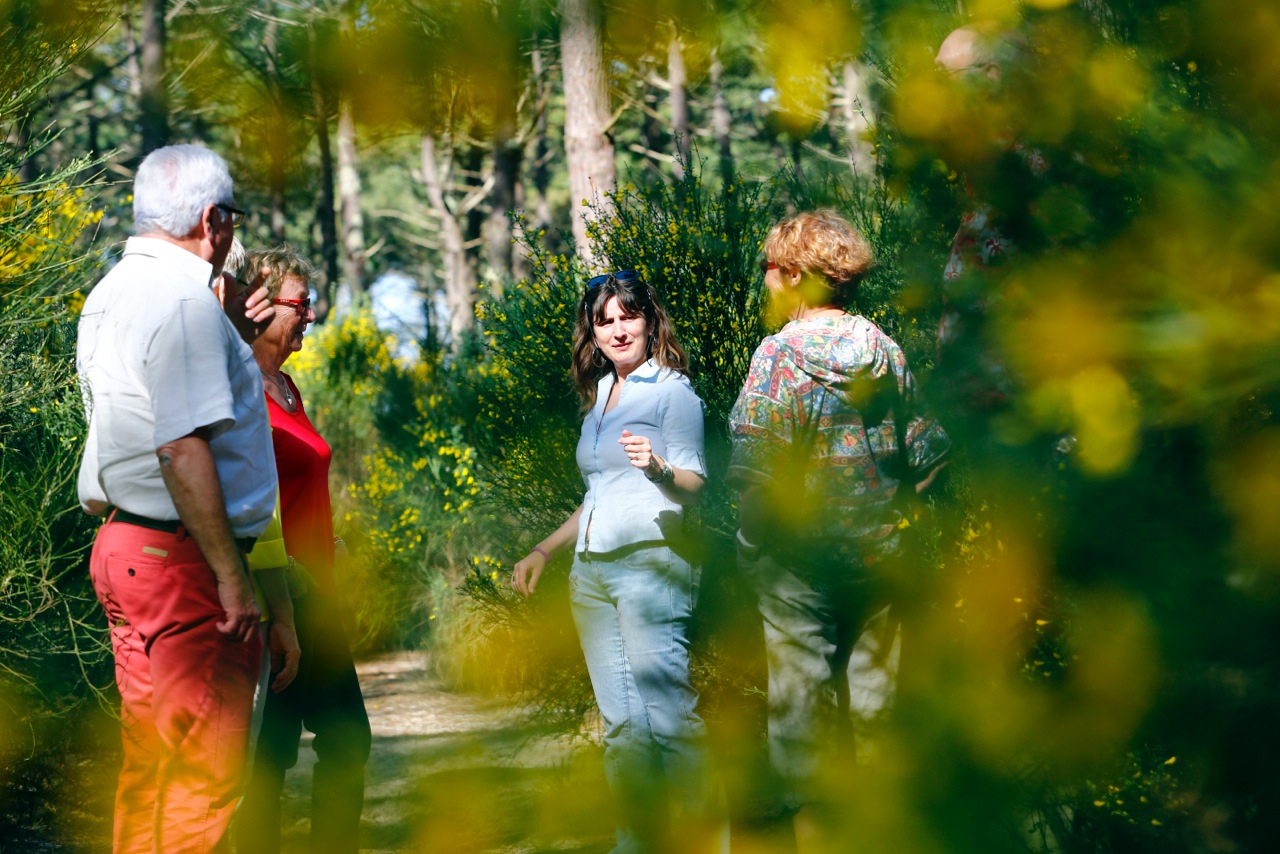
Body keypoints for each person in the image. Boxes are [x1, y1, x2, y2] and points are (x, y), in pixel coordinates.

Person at [76, 143, 277, 853]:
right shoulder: (185, 300)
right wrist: (232, 577)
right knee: (202, 778)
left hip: (125, 550)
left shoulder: (111, 291)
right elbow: (180, 446)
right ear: (212, 219)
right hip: (184, 560)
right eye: (231, 219)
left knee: (153, 767)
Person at [728, 211, 950, 851]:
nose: (766, 281)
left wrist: (748, 547)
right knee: (878, 719)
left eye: (771, 269)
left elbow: (759, 477)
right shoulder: (883, 350)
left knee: (804, 729)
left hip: (798, 568)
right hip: (880, 560)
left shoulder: (777, 358)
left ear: (796, 277)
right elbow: (928, 457)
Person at [511, 270, 713, 853]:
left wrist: (656, 468)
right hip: (592, 574)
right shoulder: (600, 396)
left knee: (671, 719)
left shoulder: (672, 391)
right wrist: (545, 549)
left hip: (652, 566)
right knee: (622, 727)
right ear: (592, 334)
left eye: (629, 315)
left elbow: (696, 483)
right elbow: (598, 494)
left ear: (651, 323)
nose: (619, 329)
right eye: (605, 320)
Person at [236, 246, 371, 854]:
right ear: (260, 306)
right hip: (276, 596)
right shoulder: (239, 388)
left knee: (348, 739)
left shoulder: (286, 387)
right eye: (301, 304)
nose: (310, 315)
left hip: (320, 592)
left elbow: (295, 482)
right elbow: (245, 495)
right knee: (268, 754)